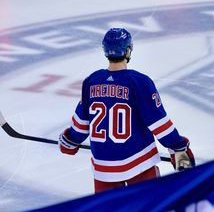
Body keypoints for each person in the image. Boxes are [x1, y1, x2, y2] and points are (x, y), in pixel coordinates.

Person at [59, 28, 195, 193]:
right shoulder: (139, 82)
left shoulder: (91, 81)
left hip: (104, 169)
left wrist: (70, 141)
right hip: (139, 164)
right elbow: (159, 123)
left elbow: (80, 127)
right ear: (128, 50)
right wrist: (178, 148)